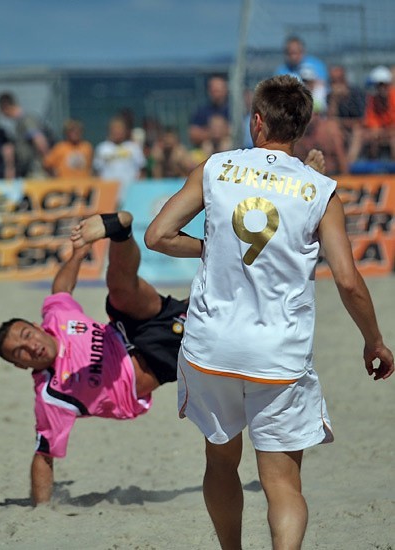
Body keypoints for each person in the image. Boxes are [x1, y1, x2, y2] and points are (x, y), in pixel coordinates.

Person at [145, 74, 393, 550]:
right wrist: (374, 340)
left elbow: (157, 236)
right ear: (302, 127)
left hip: (211, 346)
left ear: (257, 120)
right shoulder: (319, 189)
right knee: (283, 484)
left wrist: (210, 247)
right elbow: (347, 280)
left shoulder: (216, 168)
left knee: (220, 463)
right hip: (278, 354)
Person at [0, 211, 188, 505]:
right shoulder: (52, 396)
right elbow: (44, 454)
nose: (30, 346)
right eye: (19, 352)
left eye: (26, 335)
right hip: (152, 362)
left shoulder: (56, 318)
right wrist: (41, 509)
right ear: (21, 365)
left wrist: (78, 254)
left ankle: (119, 231)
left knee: (121, 292)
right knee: (225, 320)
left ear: (36, 327)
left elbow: (61, 288)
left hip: (132, 325)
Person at [0, 91, 50, 178]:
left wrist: (48, 163)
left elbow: (39, 141)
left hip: (36, 170)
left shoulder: (26, 120)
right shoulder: (19, 123)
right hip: (28, 170)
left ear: (5, 107)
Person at [274, 35, 329, 110]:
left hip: (316, 103)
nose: (293, 57)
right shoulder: (281, 70)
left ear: (303, 51)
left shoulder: (317, 65)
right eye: (290, 53)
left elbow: (322, 86)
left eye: (296, 53)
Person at [93, 115, 146, 189]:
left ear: (125, 131)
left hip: (130, 191)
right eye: (115, 129)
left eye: (120, 129)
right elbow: (97, 172)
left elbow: (142, 170)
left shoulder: (134, 147)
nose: (117, 131)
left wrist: (137, 187)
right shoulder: (102, 148)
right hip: (108, 191)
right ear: (110, 130)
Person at [362, 65, 395, 160]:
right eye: (379, 85)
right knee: (365, 137)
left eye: (384, 85)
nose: (382, 88)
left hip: (391, 133)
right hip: (381, 133)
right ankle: (350, 169)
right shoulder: (373, 100)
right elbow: (372, 125)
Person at [188, 75, 231, 148]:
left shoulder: (233, 111)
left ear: (225, 90)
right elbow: (193, 133)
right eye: (213, 90)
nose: (216, 93)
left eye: (218, 90)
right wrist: (213, 133)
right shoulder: (202, 111)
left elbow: (237, 131)